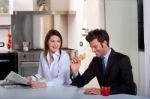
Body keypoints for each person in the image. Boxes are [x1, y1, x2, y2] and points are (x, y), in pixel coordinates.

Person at [71, 29, 137, 95]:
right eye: (91, 47)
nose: (93, 50)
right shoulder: (95, 61)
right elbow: (80, 83)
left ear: (104, 43)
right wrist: (75, 72)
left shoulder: (122, 59)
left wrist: (102, 91)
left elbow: (129, 87)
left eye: (95, 47)